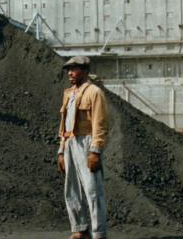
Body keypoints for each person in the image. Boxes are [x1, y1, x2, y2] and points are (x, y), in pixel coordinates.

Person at [56, 56, 109, 239]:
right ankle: (80, 229)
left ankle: (98, 233)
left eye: (75, 69)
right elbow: (64, 125)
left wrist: (95, 151)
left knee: (93, 190)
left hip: (86, 143)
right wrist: (61, 150)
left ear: (85, 71)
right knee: (71, 189)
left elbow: (100, 123)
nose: (70, 73)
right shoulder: (69, 93)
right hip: (70, 142)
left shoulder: (94, 92)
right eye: (68, 69)